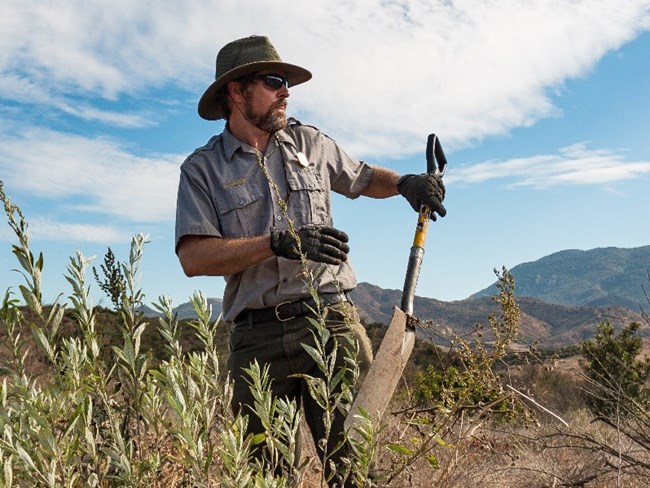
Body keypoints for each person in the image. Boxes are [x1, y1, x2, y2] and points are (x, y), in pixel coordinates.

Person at [175, 35, 446, 485]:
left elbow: (360, 177)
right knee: (266, 477)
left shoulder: (311, 143)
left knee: (355, 469)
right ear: (236, 93)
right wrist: (277, 243)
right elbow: (193, 256)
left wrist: (406, 184)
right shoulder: (202, 169)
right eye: (274, 81)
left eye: (287, 83)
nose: (286, 91)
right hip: (256, 340)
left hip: (330, 324)